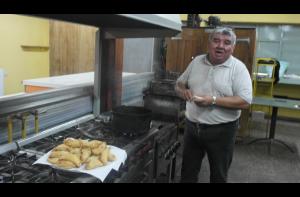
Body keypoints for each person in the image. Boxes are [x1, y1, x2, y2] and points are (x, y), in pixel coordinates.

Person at [175, 27, 252, 183]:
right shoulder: (197, 61)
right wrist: (183, 91)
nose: (220, 46)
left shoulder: (238, 68)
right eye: (216, 41)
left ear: (233, 47)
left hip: (222, 132)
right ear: (209, 43)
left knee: (218, 175)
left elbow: (245, 101)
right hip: (192, 128)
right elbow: (179, 84)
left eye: (226, 43)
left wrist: (213, 100)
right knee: (187, 173)